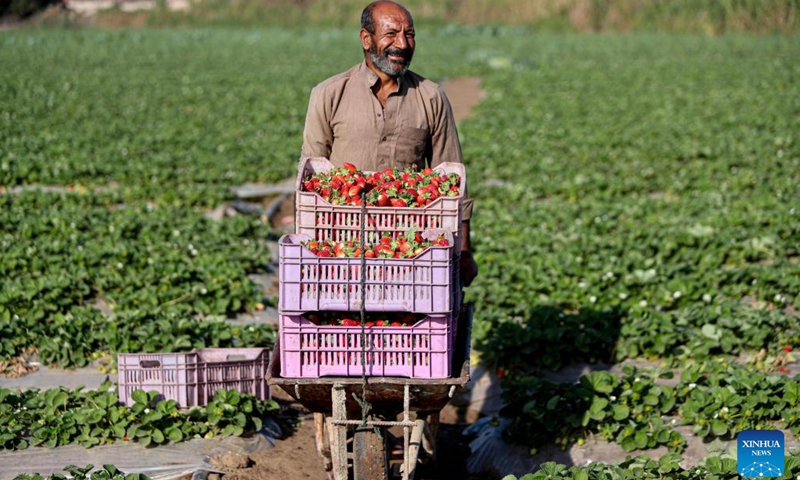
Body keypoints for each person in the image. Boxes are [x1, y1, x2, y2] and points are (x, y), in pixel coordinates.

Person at [300, 0, 478, 286]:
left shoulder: (430, 96)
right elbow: (311, 180)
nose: (403, 44)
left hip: (412, 246)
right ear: (366, 38)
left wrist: (465, 251)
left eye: (410, 35)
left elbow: (453, 178)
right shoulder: (329, 94)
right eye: (391, 34)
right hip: (342, 243)